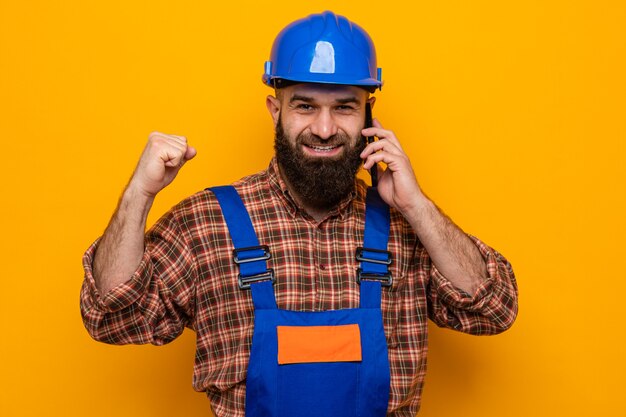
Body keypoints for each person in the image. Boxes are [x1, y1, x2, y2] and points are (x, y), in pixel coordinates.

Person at [80, 10, 518, 417]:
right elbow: (112, 317)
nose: (324, 129)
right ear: (276, 111)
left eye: (343, 106)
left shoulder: (405, 226)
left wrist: (417, 207)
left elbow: (495, 308)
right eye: (305, 105)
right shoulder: (208, 223)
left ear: (369, 114)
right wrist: (139, 192)